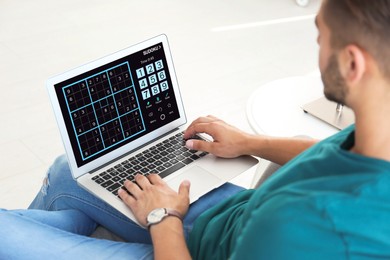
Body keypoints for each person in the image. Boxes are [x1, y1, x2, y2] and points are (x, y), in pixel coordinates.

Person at [1, 0, 390, 258]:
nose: (317, 44)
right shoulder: (377, 133)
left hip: (195, 247)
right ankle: (70, 227)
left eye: (321, 34)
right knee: (68, 173)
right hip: (228, 217)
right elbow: (326, 152)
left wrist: (163, 218)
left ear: (353, 64)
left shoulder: (302, 227)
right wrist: (247, 141)